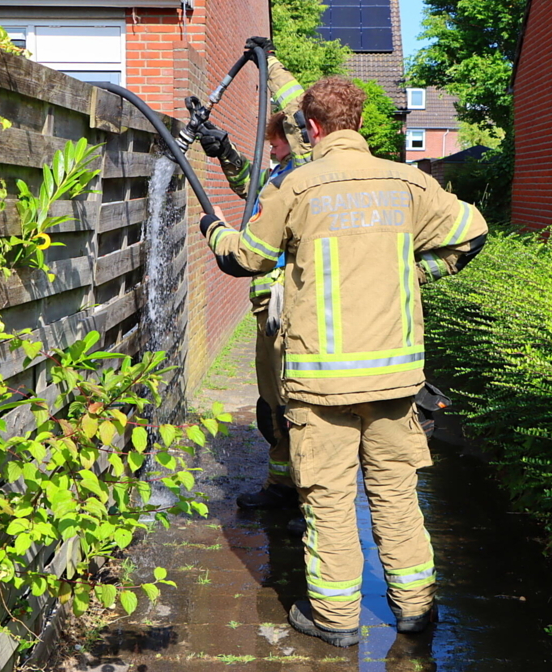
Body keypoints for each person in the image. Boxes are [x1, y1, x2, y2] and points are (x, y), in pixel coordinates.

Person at [197, 76, 488, 647]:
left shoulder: (298, 186)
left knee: (329, 502)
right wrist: (418, 272)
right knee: (396, 496)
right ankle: (416, 610)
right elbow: (472, 235)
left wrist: (214, 232)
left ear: (311, 127)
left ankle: (334, 618)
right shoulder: (409, 182)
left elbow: (248, 259)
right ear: (359, 121)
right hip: (395, 382)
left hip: (322, 386)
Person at [196, 36, 312, 509]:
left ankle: (309, 501)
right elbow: (252, 188)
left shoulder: (307, 172)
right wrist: (223, 149)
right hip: (268, 309)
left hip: (293, 307)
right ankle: (281, 487)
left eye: (278, 141)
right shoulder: (281, 175)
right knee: (273, 406)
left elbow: (299, 108)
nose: (274, 148)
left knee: (297, 404)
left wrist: (272, 65)